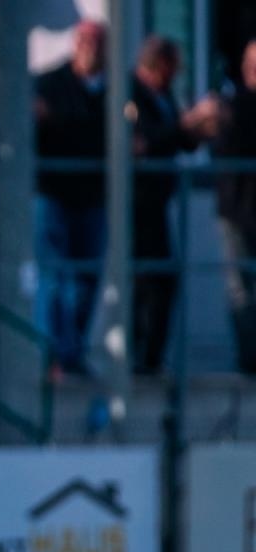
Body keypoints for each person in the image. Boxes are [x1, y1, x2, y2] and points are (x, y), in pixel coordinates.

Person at [128, 36, 218, 375]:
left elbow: (175, 139)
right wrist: (184, 124)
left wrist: (198, 130)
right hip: (136, 203)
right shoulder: (131, 92)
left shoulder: (162, 95)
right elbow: (142, 141)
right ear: (159, 64)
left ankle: (150, 358)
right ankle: (139, 359)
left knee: (163, 279)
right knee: (145, 282)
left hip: (157, 202)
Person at [34, 21, 108, 377]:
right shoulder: (50, 84)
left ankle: (73, 351)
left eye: (97, 42)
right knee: (56, 277)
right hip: (53, 195)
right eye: (84, 41)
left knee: (87, 280)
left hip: (93, 198)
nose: (90, 48)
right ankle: (55, 355)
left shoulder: (114, 89)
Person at [215, 38, 256, 375]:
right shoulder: (232, 105)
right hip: (237, 212)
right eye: (249, 62)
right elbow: (222, 145)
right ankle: (249, 361)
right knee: (241, 288)